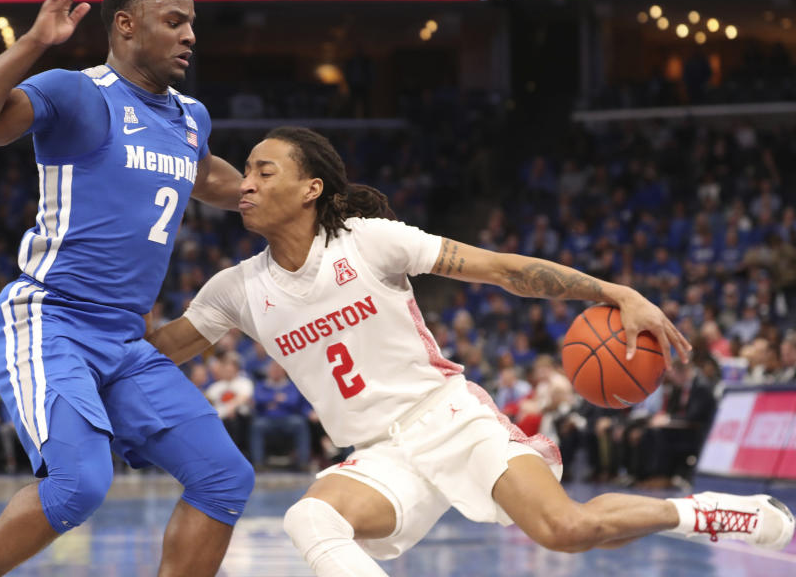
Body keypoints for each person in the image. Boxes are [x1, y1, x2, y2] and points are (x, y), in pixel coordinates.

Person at [150, 127, 795, 576]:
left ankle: (706, 513)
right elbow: (158, 351)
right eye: (247, 172)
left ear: (311, 188)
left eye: (265, 171)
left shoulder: (370, 242)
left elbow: (502, 271)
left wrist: (612, 289)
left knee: (565, 532)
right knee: (310, 520)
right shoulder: (235, 288)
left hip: (451, 418)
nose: (246, 184)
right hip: (378, 454)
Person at [0, 0, 253, 577]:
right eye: (174, 21)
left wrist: (298, 201)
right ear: (125, 26)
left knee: (224, 477)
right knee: (77, 487)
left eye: (193, 24)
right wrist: (32, 43)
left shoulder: (191, 118)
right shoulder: (77, 92)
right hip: (51, 320)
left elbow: (208, 176)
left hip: (125, 340)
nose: (190, 36)